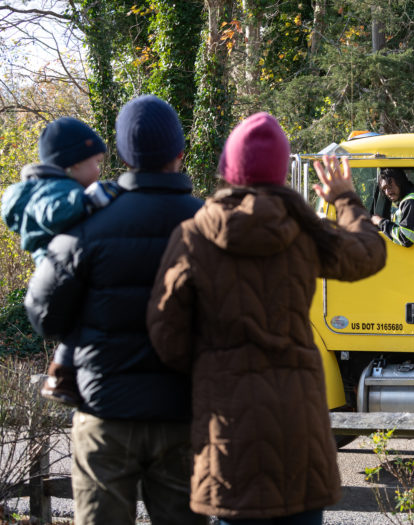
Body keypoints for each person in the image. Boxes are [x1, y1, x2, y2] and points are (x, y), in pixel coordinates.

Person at [146, 112, 387, 524]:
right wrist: (344, 198)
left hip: (228, 428)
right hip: (299, 427)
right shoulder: (304, 231)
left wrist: (210, 366)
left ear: (228, 170)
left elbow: (165, 331)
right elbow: (369, 254)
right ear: (280, 173)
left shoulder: (193, 236)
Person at [24, 95, 205, 525]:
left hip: (104, 411)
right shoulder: (209, 223)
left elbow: (42, 315)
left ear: (121, 156)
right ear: (180, 152)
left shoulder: (87, 223)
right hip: (183, 412)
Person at [1, 117, 119, 406]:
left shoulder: (46, 187)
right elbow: (51, 212)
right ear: (72, 165)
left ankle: (66, 376)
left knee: (79, 325)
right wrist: (90, 200)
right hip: (59, 270)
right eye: (96, 162)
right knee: (85, 320)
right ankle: (61, 378)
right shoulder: (54, 191)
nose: (99, 169)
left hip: (59, 269)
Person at [370, 167, 414, 247]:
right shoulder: (409, 198)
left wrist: (380, 222)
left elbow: (406, 238)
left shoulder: (412, 201)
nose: (387, 192)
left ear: (400, 182)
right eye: (384, 189)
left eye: (390, 186)